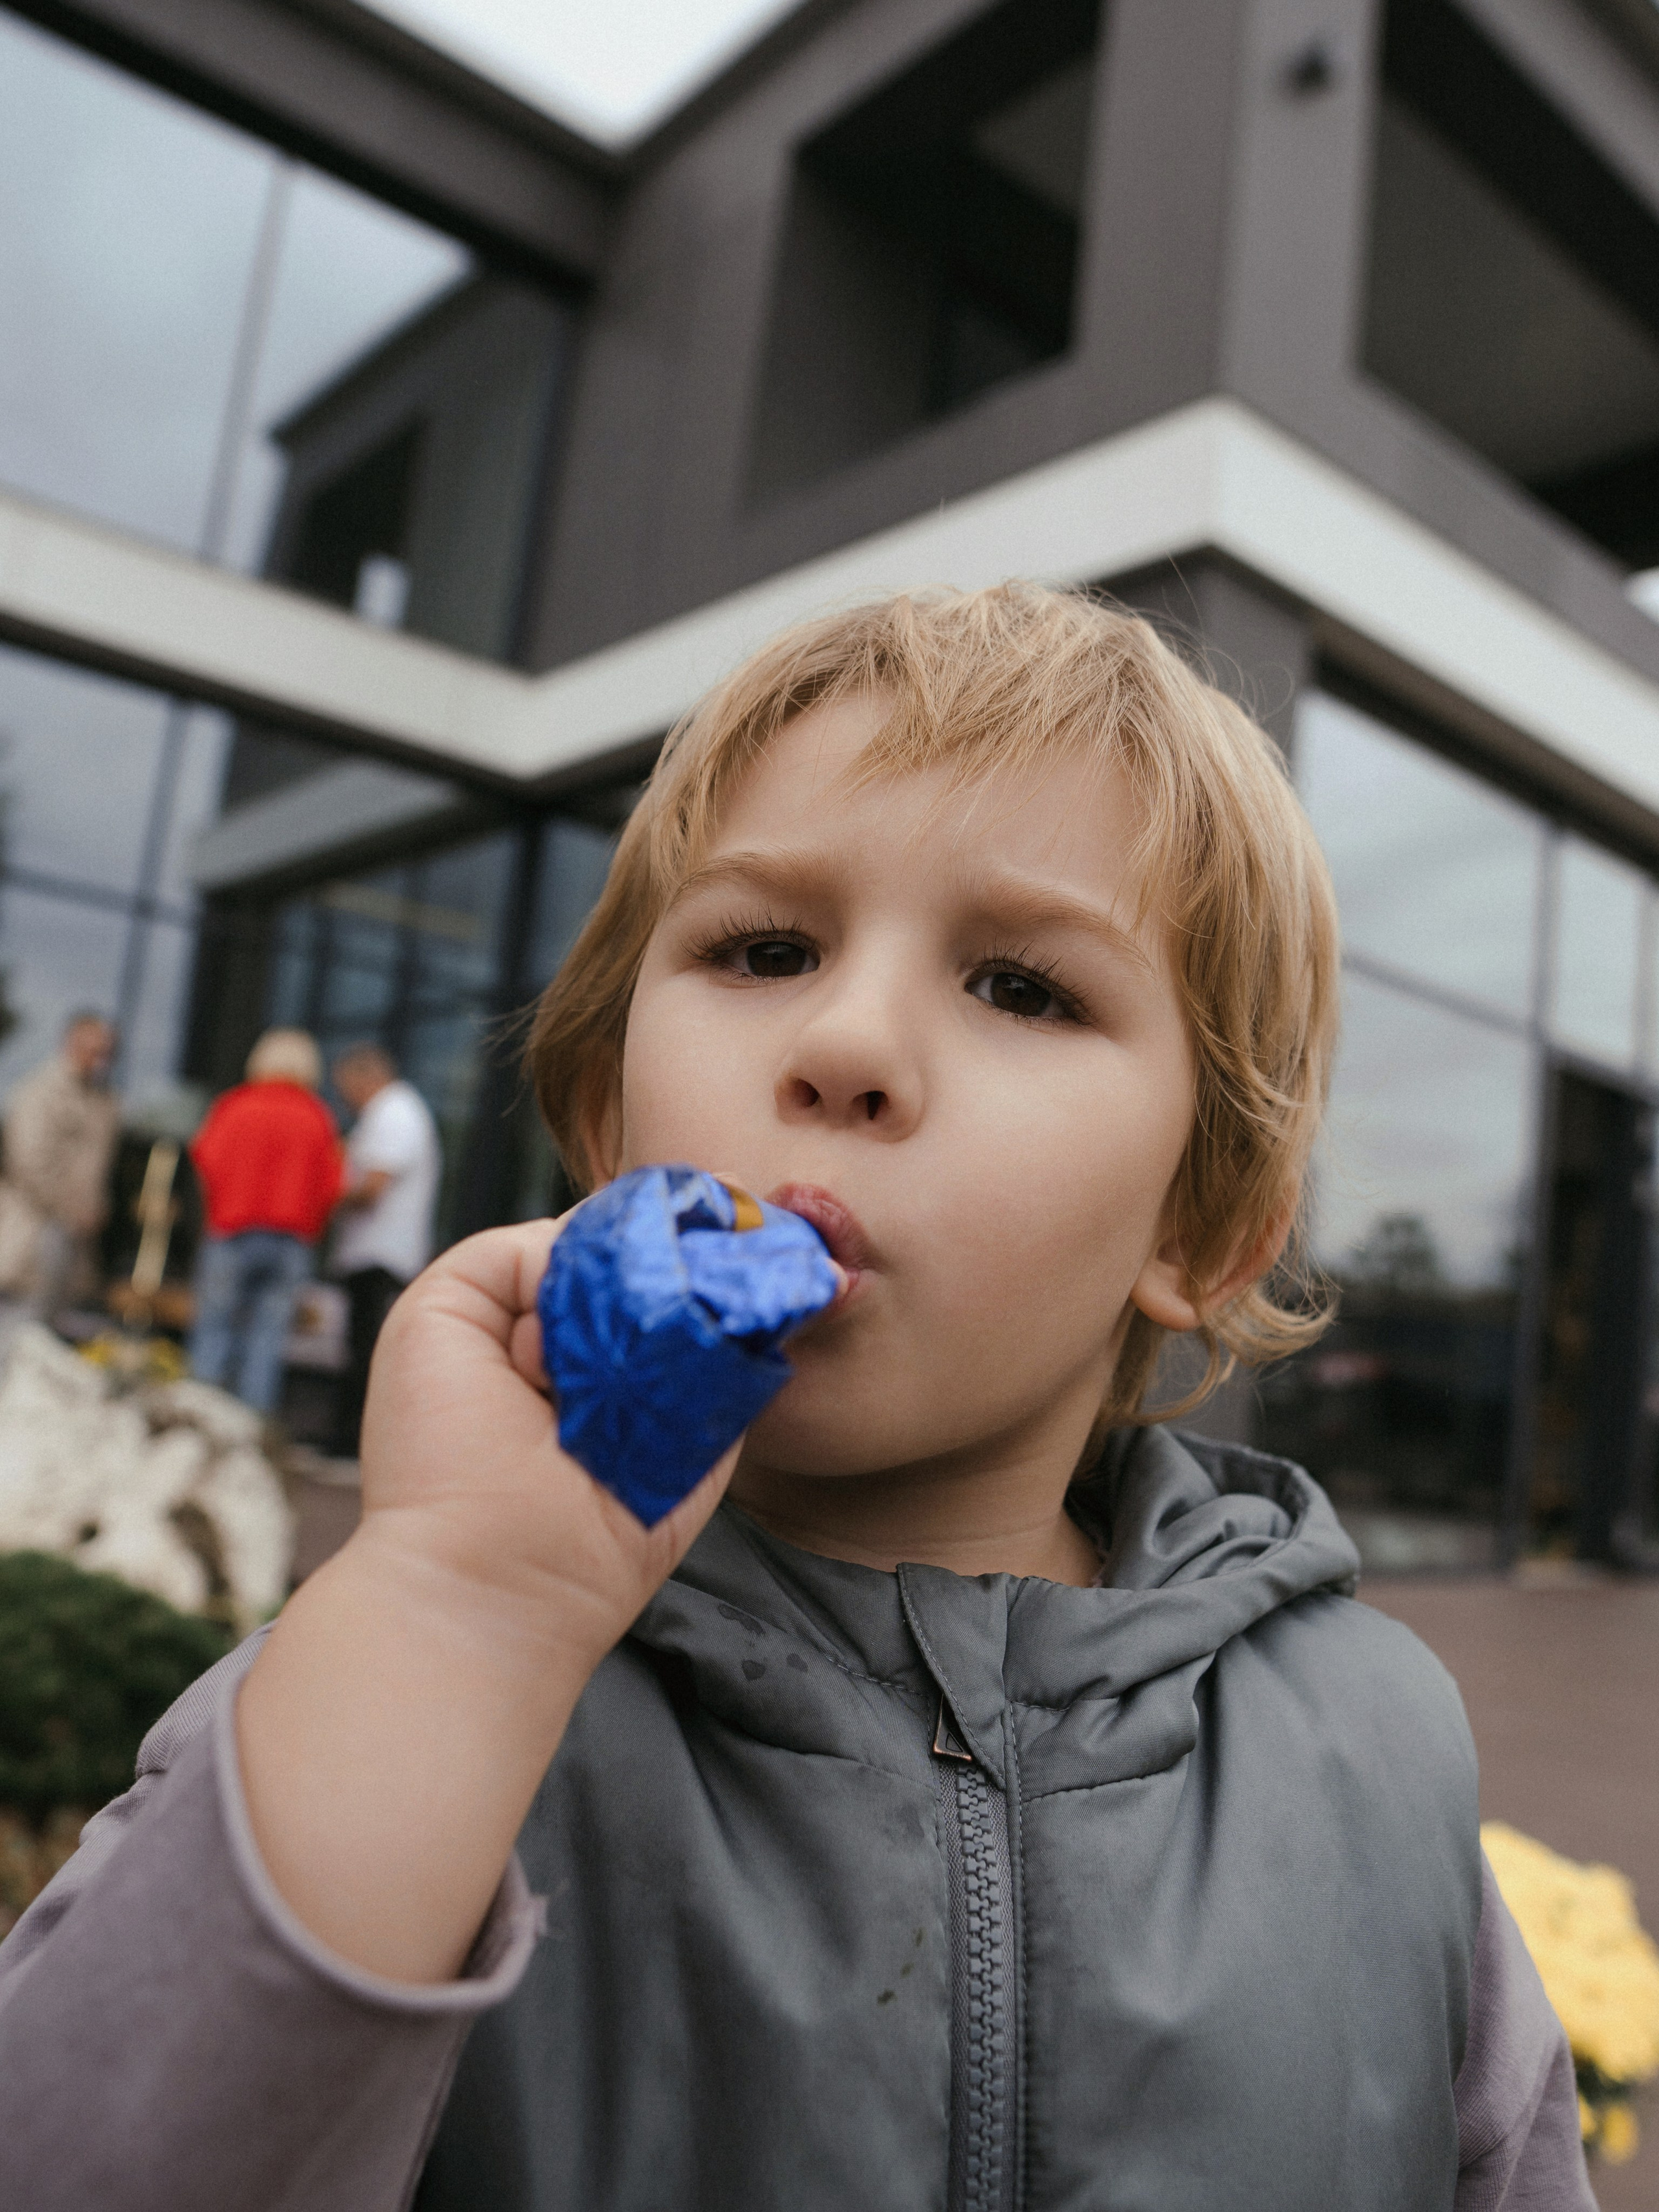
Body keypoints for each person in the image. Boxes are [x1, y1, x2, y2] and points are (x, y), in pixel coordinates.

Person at [0, 588, 1593, 2210]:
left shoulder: (1377, 1761)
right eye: (764, 949)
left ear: (1192, 1224)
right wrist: (464, 1611)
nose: (842, 1043)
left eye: (1021, 987)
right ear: (610, 1119)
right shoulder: (397, 1677)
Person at [187, 1028, 342, 1417]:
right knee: (268, 1339)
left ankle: (198, 1421)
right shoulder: (318, 1117)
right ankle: (250, 1430)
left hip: (232, 1232)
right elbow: (333, 1184)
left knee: (215, 1327)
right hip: (291, 1241)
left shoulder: (235, 1106)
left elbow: (206, 1160)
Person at [327, 1043, 441, 1457]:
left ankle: (354, 1440)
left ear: (364, 1078)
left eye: (345, 1087)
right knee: (362, 1349)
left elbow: (373, 1185)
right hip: (377, 1252)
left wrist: (326, 1201)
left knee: (367, 1352)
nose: (345, 1098)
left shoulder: (395, 1112)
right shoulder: (397, 1111)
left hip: (381, 1254)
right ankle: (351, 1437)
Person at [0, 1010, 120, 1332]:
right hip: (35, 1229)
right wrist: (71, 1207)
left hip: (73, 1237)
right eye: (95, 1050)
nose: (102, 1060)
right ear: (72, 1043)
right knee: (16, 1328)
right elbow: (29, 1161)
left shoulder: (102, 1099)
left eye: (108, 1053)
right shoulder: (42, 1091)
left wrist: (94, 1207)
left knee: (46, 1334)